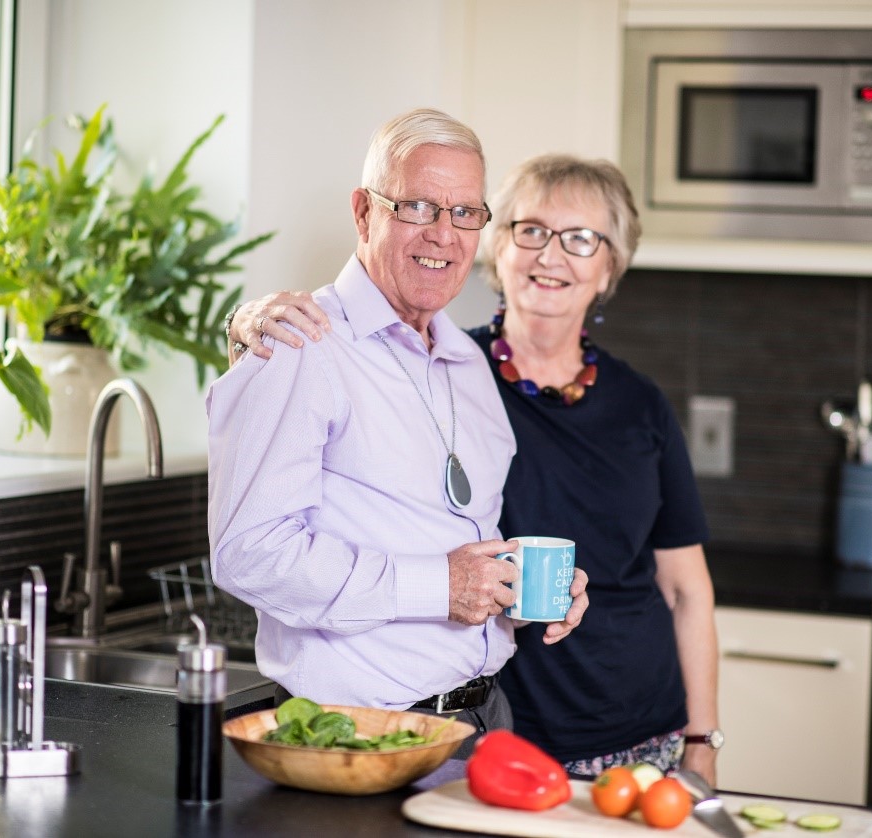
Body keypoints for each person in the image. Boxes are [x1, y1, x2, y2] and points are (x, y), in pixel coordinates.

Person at [226, 153, 720, 785]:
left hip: (635, 725)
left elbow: (686, 587)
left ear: (609, 267)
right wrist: (243, 326)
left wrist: (703, 739)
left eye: (581, 239)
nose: (550, 255)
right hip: (497, 730)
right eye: (530, 230)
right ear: (497, 247)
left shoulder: (640, 404)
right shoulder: (445, 365)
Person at [206, 110, 589, 759]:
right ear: (363, 212)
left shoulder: (468, 363)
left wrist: (516, 589)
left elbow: (448, 540)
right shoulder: (299, 343)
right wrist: (436, 586)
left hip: (484, 716)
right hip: (356, 734)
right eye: (417, 206)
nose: (444, 234)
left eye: (466, 212)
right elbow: (249, 553)